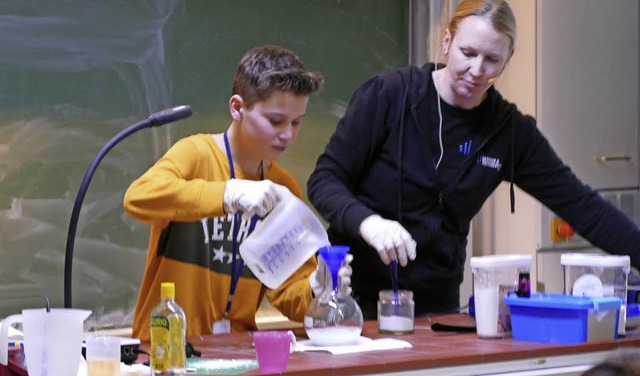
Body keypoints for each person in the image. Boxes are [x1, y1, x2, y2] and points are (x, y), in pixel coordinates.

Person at [307, 0, 640, 320]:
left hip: (435, 309)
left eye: (492, 59)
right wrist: (369, 223)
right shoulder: (390, 96)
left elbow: (583, 206)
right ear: (447, 41)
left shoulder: (509, 132)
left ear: (508, 59)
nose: (477, 70)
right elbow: (324, 180)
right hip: (354, 299)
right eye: (468, 53)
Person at [124, 45, 350, 340]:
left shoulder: (283, 190)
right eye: (275, 120)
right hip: (168, 347)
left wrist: (317, 291)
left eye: (297, 123)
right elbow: (138, 198)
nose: (287, 134)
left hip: (239, 352)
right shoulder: (196, 154)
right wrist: (227, 193)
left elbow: (287, 295)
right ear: (237, 108)